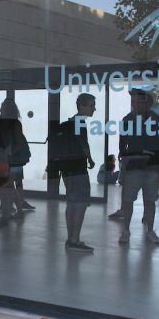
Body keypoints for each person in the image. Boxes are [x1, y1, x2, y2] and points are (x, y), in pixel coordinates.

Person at [118, 89, 159, 245]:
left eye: (138, 101)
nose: (135, 105)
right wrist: (125, 162)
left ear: (148, 104)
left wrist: (157, 163)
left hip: (151, 168)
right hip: (133, 168)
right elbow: (122, 146)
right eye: (133, 102)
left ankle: (150, 230)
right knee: (127, 200)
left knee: (150, 201)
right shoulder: (127, 120)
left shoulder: (156, 120)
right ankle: (126, 230)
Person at [51, 93, 96, 251]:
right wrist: (90, 159)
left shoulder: (69, 123)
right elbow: (84, 145)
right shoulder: (79, 123)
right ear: (81, 106)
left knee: (71, 203)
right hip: (78, 169)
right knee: (81, 203)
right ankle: (75, 240)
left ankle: (71, 238)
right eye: (91, 105)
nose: (94, 109)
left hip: (66, 169)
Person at [0, 98, 35, 215]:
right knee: (17, 182)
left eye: (2, 108)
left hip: (13, 158)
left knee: (9, 183)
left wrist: (9, 154)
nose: (0, 110)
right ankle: (19, 204)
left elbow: (18, 143)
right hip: (17, 158)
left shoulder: (10, 123)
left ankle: (13, 205)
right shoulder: (14, 123)